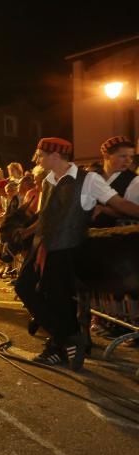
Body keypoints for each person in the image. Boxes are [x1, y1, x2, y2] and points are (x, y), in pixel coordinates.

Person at [14, 137, 139, 368]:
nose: (37, 159)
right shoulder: (48, 181)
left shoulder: (89, 179)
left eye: (41, 155)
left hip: (67, 249)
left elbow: (118, 203)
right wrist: (27, 232)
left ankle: (60, 345)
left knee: (58, 299)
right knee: (24, 287)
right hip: (42, 247)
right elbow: (45, 216)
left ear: (55, 155)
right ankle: (67, 338)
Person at [90, 136, 139, 226]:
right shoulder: (92, 176)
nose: (128, 160)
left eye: (131, 157)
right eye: (123, 156)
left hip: (117, 236)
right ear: (107, 156)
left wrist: (103, 209)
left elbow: (134, 213)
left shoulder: (134, 181)